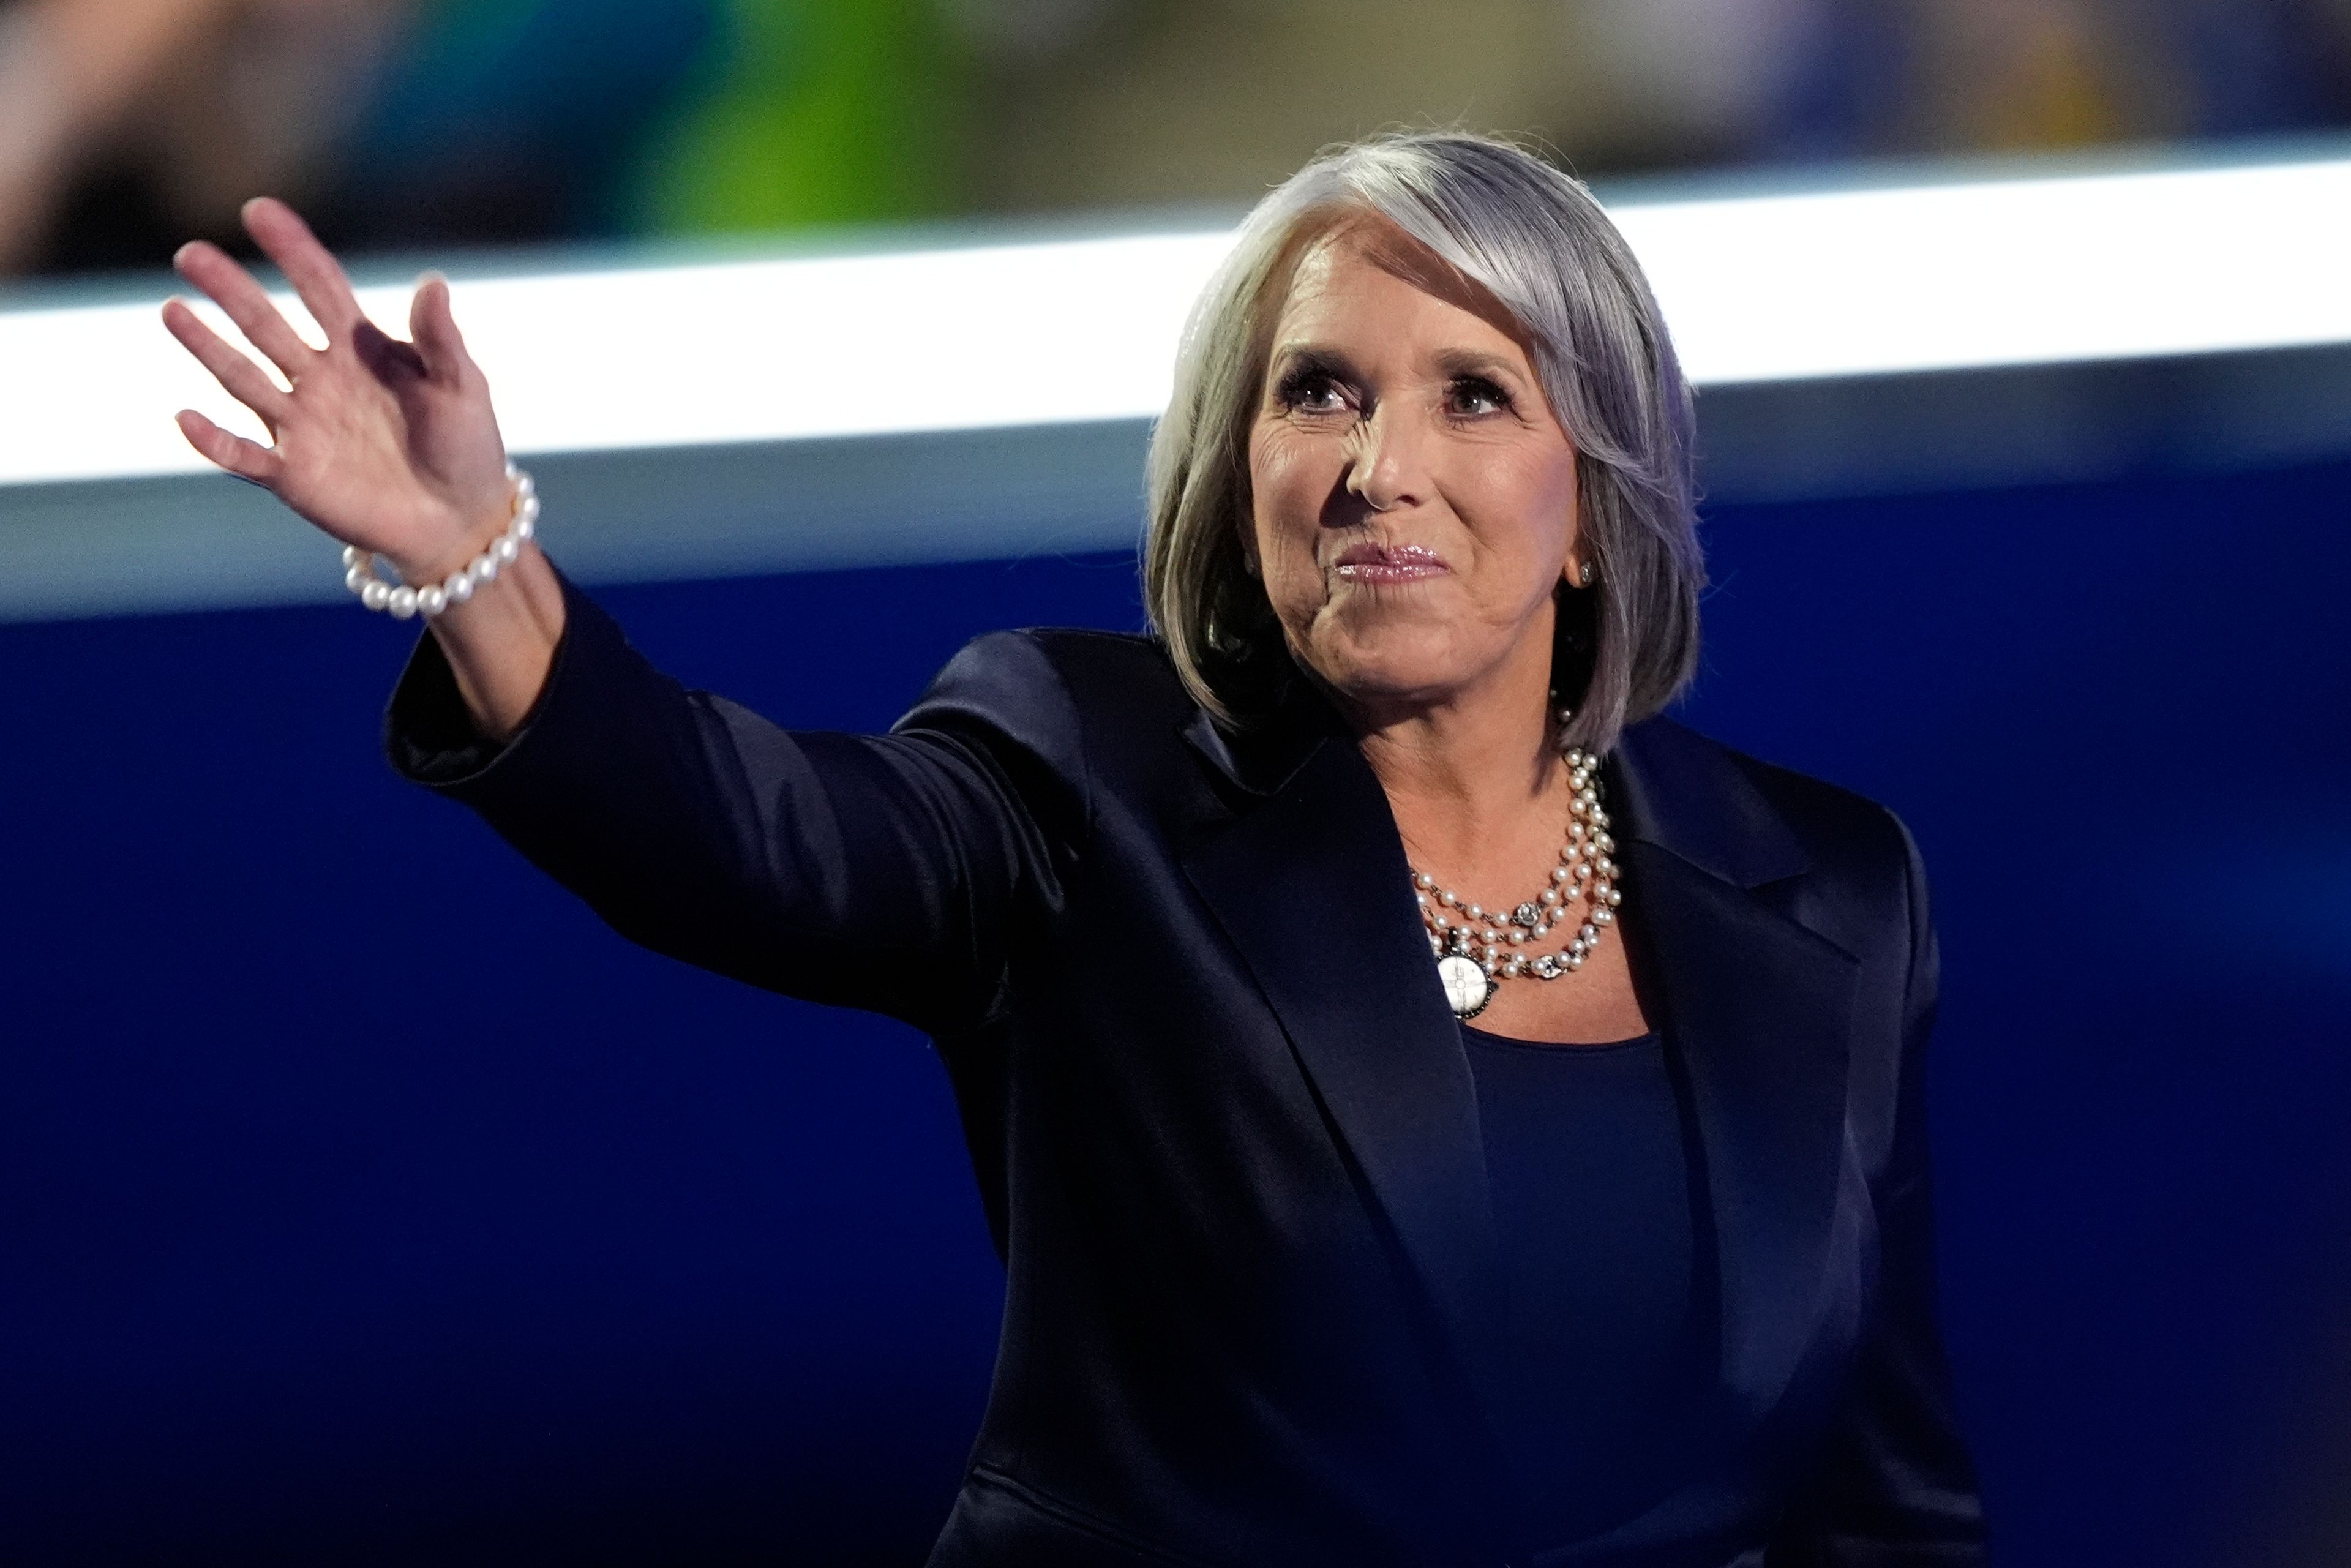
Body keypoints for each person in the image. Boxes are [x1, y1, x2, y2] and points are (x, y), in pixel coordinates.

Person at [159, 130, 1987, 1567]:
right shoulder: (1081, 774)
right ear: (1237, 458)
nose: (1375, 467)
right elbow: (757, 836)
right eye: (1319, 390)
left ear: (1596, 505)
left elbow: (1883, 1509)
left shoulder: (1830, 889)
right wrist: (481, 556)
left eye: (1474, 395)